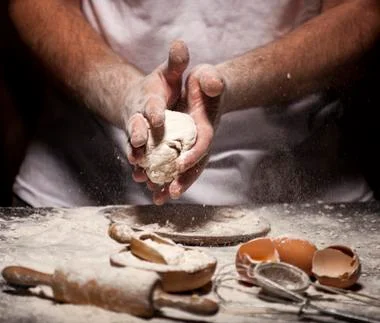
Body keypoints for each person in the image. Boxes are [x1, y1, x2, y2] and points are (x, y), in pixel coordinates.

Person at [8, 0, 380, 207]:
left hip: (305, 200)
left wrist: (231, 84)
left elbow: (363, 12)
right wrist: (123, 93)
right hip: (76, 195)